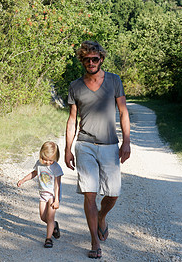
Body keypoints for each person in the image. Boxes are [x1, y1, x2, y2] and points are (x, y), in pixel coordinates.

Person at [65, 41, 131, 259]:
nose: (91, 62)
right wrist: (68, 148)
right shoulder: (75, 86)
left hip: (110, 145)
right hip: (84, 145)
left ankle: (102, 217)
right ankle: (94, 241)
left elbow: (123, 112)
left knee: (112, 194)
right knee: (89, 195)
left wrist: (126, 142)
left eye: (95, 59)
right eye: (87, 59)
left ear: (101, 59)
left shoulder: (114, 80)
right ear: (82, 61)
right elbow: (72, 119)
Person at [17, 141, 64, 248]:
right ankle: (54, 225)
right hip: (43, 195)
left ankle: (48, 239)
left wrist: (57, 200)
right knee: (43, 217)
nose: (47, 162)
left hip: (52, 195)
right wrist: (23, 180)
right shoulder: (39, 164)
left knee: (50, 217)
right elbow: (34, 173)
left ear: (55, 158)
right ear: (41, 155)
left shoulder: (56, 168)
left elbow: (57, 185)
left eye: (50, 160)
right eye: (45, 159)